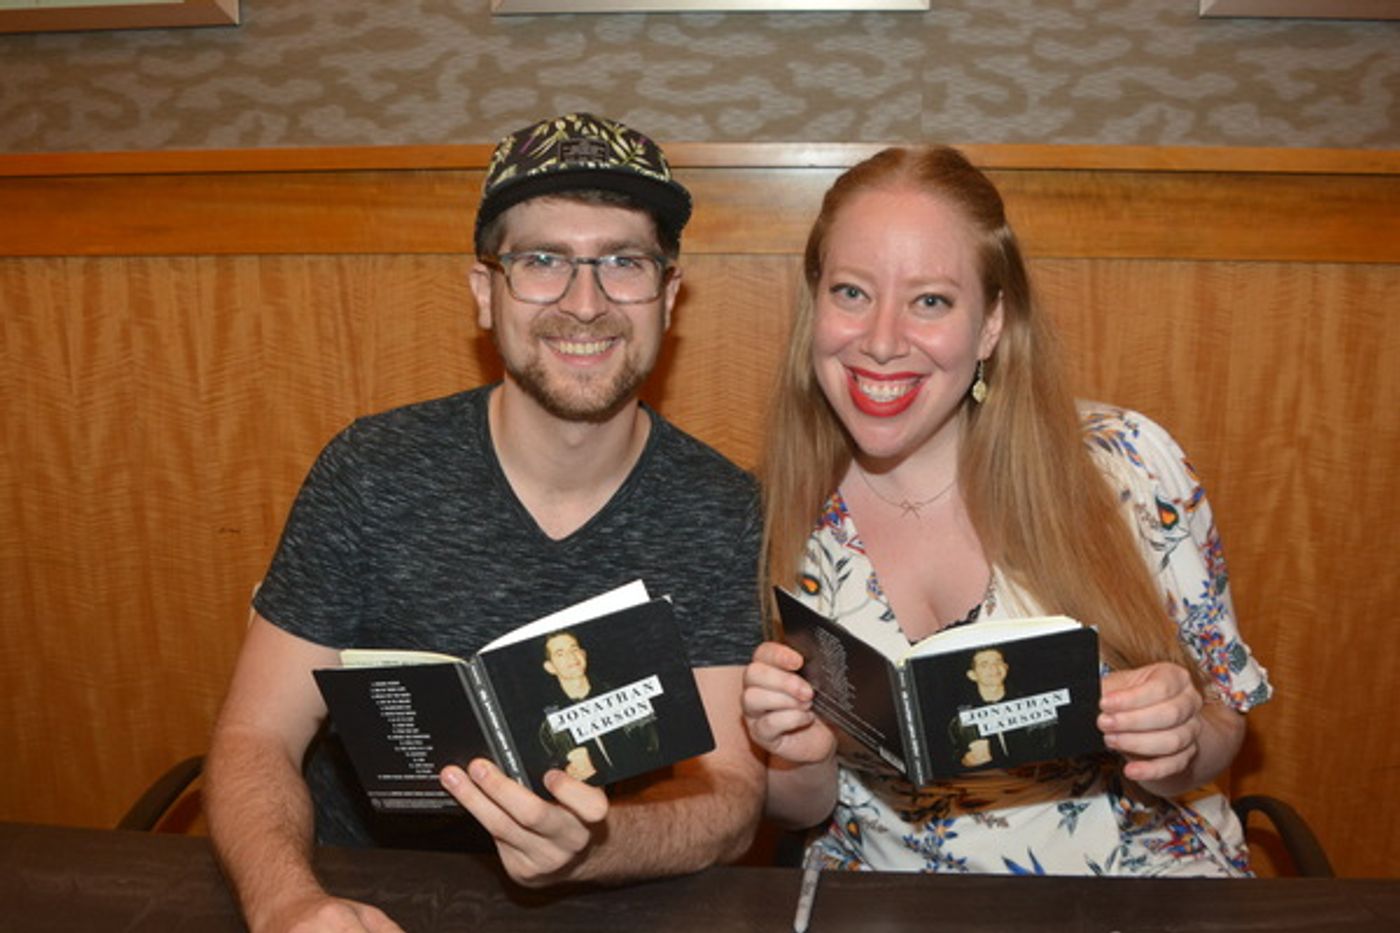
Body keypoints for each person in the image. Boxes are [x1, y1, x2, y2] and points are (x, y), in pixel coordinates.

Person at [205, 112, 766, 933]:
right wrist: (287, 901)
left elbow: (734, 796)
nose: (585, 303)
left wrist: (593, 846)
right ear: (484, 293)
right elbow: (255, 735)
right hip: (360, 899)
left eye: (624, 262)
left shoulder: (721, 508)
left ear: (668, 296)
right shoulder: (371, 472)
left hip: (608, 907)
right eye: (541, 261)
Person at [741, 145, 1272, 876]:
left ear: (991, 323)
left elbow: (1224, 720)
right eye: (852, 292)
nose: (882, 341)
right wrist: (795, 753)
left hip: (1145, 892)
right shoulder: (771, 518)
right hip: (894, 906)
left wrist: (1181, 739)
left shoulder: (1125, 465)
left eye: (931, 300)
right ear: (815, 306)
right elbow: (801, 809)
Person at [537, 629, 661, 785]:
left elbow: (654, 745)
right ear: (550, 667)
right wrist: (568, 772)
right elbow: (552, 769)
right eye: (560, 654)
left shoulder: (624, 697)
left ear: (583, 654)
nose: (571, 657)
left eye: (574, 649)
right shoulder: (550, 726)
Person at [948, 646, 1054, 769]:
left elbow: (1051, 746)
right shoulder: (961, 720)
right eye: (984, 665)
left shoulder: (1032, 706)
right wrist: (967, 762)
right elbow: (952, 759)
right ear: (972, 675)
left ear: (1006, 667)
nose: (994, 668)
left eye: (998, 662)